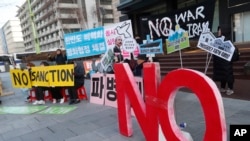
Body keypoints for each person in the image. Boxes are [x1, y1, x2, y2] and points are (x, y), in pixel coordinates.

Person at [213, 26, 239, 95]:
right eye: (218, 30)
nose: (218, 32)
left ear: (223, 32)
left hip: (226, 63)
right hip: (219, 62)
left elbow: (232, 52)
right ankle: (222, 87)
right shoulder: (217, 40)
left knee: (228, 75)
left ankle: (230, 88)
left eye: (220, 30)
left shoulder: (228, 41)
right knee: (222, 75)